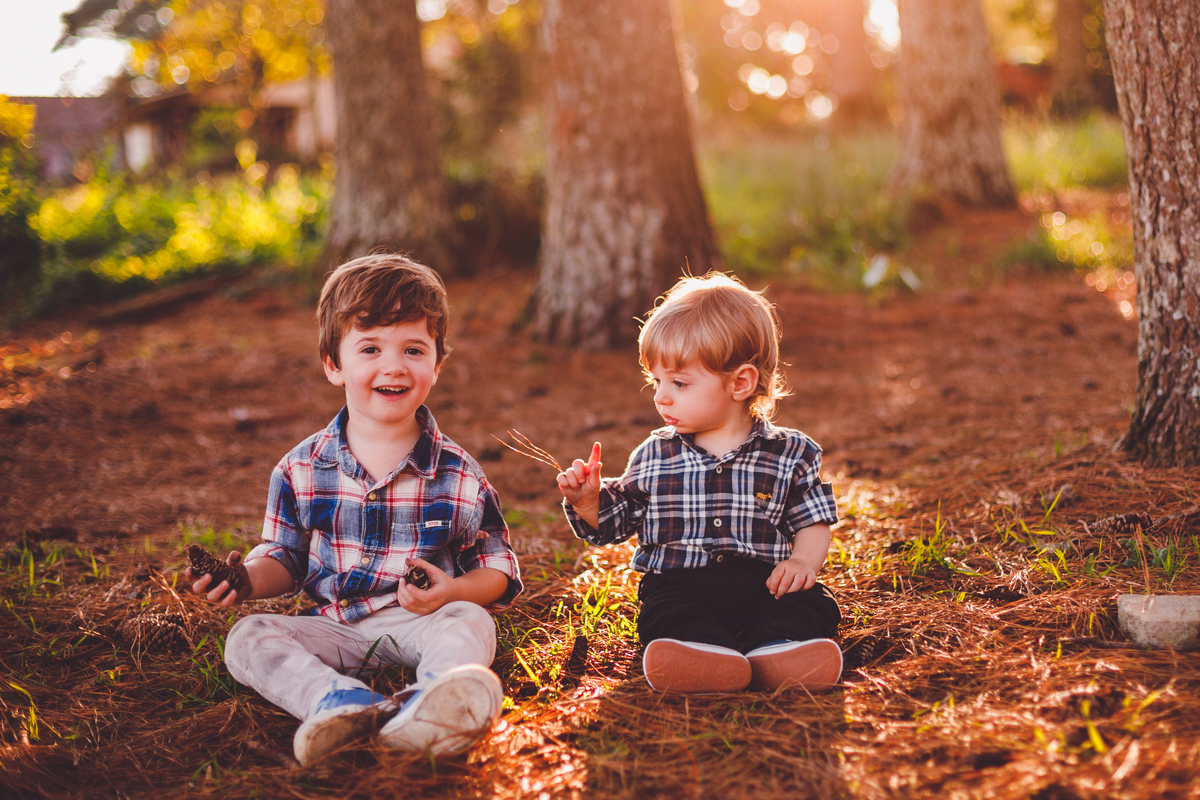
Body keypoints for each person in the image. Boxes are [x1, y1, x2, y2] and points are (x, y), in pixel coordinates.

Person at [187, 253, 522, 764]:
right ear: (333, 364)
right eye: (370, 348)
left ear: (436, 364)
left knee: (471, 622)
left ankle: (433, 701)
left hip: (422, 621)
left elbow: (495, 565)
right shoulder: (301, 469)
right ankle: (337, 701)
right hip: (335, 627)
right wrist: (249, 580)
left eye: (414, 349)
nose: (393, 366)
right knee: (249, 637)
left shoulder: (458, 474)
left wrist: (454, 590)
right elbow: (287, 555)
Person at [556, 272, 841, 695]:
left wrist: (802, 563)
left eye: (680, 383)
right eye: (657, 382)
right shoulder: (655, 455)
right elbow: (617, 521)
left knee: (806, 604)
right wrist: (587, 501)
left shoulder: (790, 452)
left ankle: (781, 648)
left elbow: (812, 519)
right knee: (667, 612)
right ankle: (699, 653)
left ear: (740, 383)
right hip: (681, 581)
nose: (661, 397)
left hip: (767, 582)